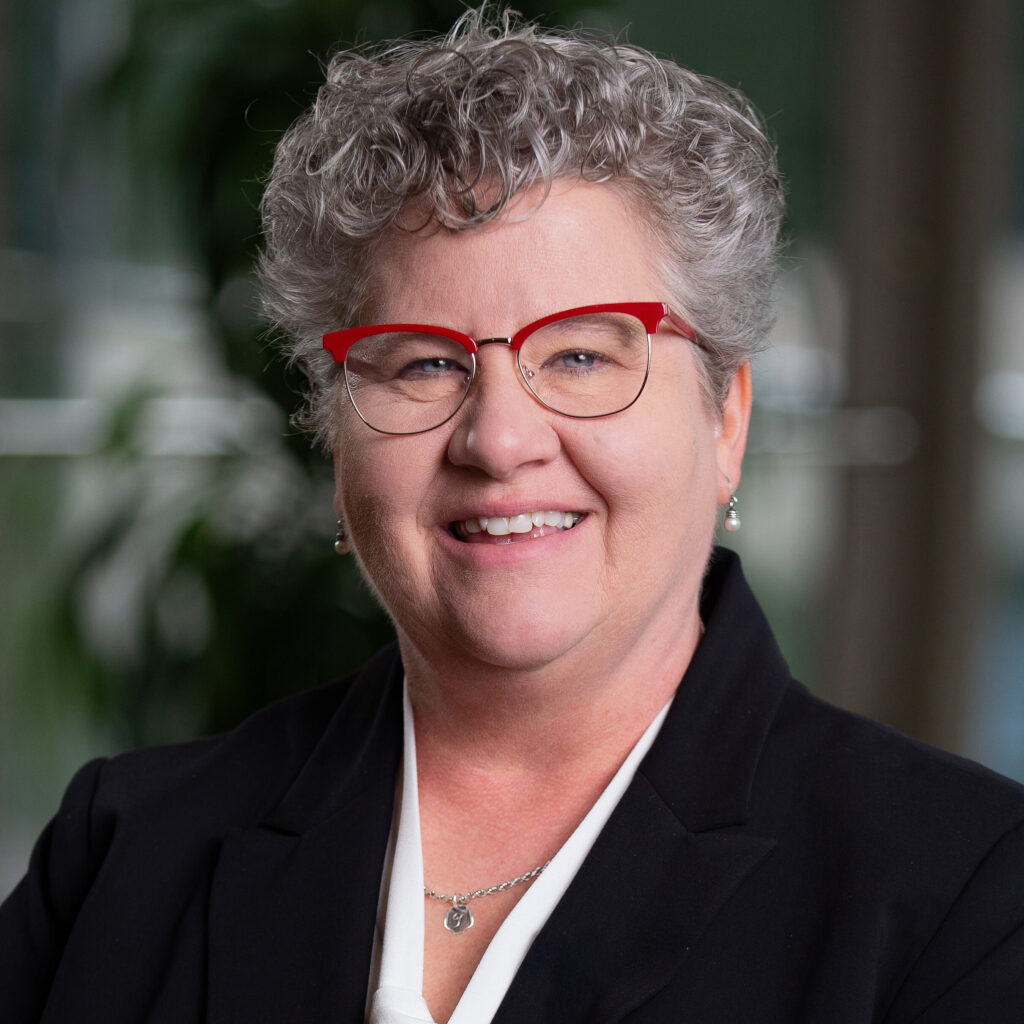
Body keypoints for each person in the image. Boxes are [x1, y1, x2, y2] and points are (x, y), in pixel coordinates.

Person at [2, 7, 1023, 1022]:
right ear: (334, 433)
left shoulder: (968, 890)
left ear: (725, 420)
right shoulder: (128, 846)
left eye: (582, 355)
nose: (496, 440)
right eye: (423, 362)